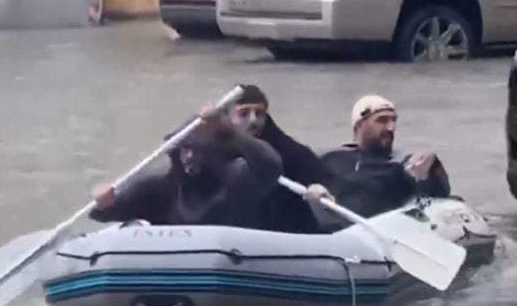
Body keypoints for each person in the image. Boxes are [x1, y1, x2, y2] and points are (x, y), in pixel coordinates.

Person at [89, 103, 283, 228]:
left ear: (215, 152)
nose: (189, 157)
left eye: (198, 150)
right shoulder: (160, 184)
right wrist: (106, 202)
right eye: (185, 149)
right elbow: (103, 214)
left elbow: (271, 165)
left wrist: (228, 131)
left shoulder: (238, 179)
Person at [316, 94, 451, 225]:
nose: (391, 128)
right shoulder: (330, 159)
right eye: (382, 120)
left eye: (393, 120)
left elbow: (436, 194)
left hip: (378, 235)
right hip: (331, 233)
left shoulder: (400, 165)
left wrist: (432, 169)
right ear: (359, 126)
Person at [228, 84, 332, 233]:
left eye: (259, 113)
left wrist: (320, 187)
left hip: (286, 232)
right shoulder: (214, 152)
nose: (253, 120)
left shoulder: (291, 152)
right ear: (228, 117)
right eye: (244, 114)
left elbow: (319, 177)